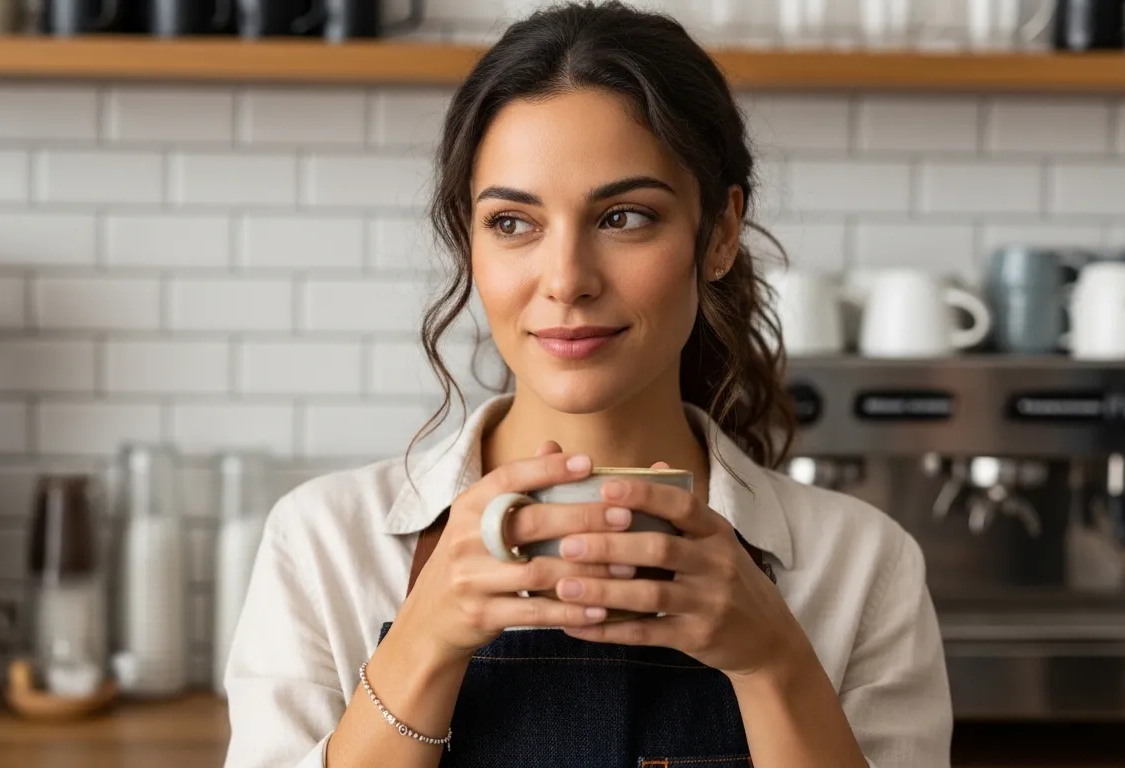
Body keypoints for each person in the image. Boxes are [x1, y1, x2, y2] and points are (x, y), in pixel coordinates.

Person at [221, 3, 953, 766]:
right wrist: (423, 643)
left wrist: (774, 662)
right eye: (512, 222)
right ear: (468, 243)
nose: (566, 280)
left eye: (625, 217)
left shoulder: (861, 566)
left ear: (721, 234)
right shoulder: (327, 545)